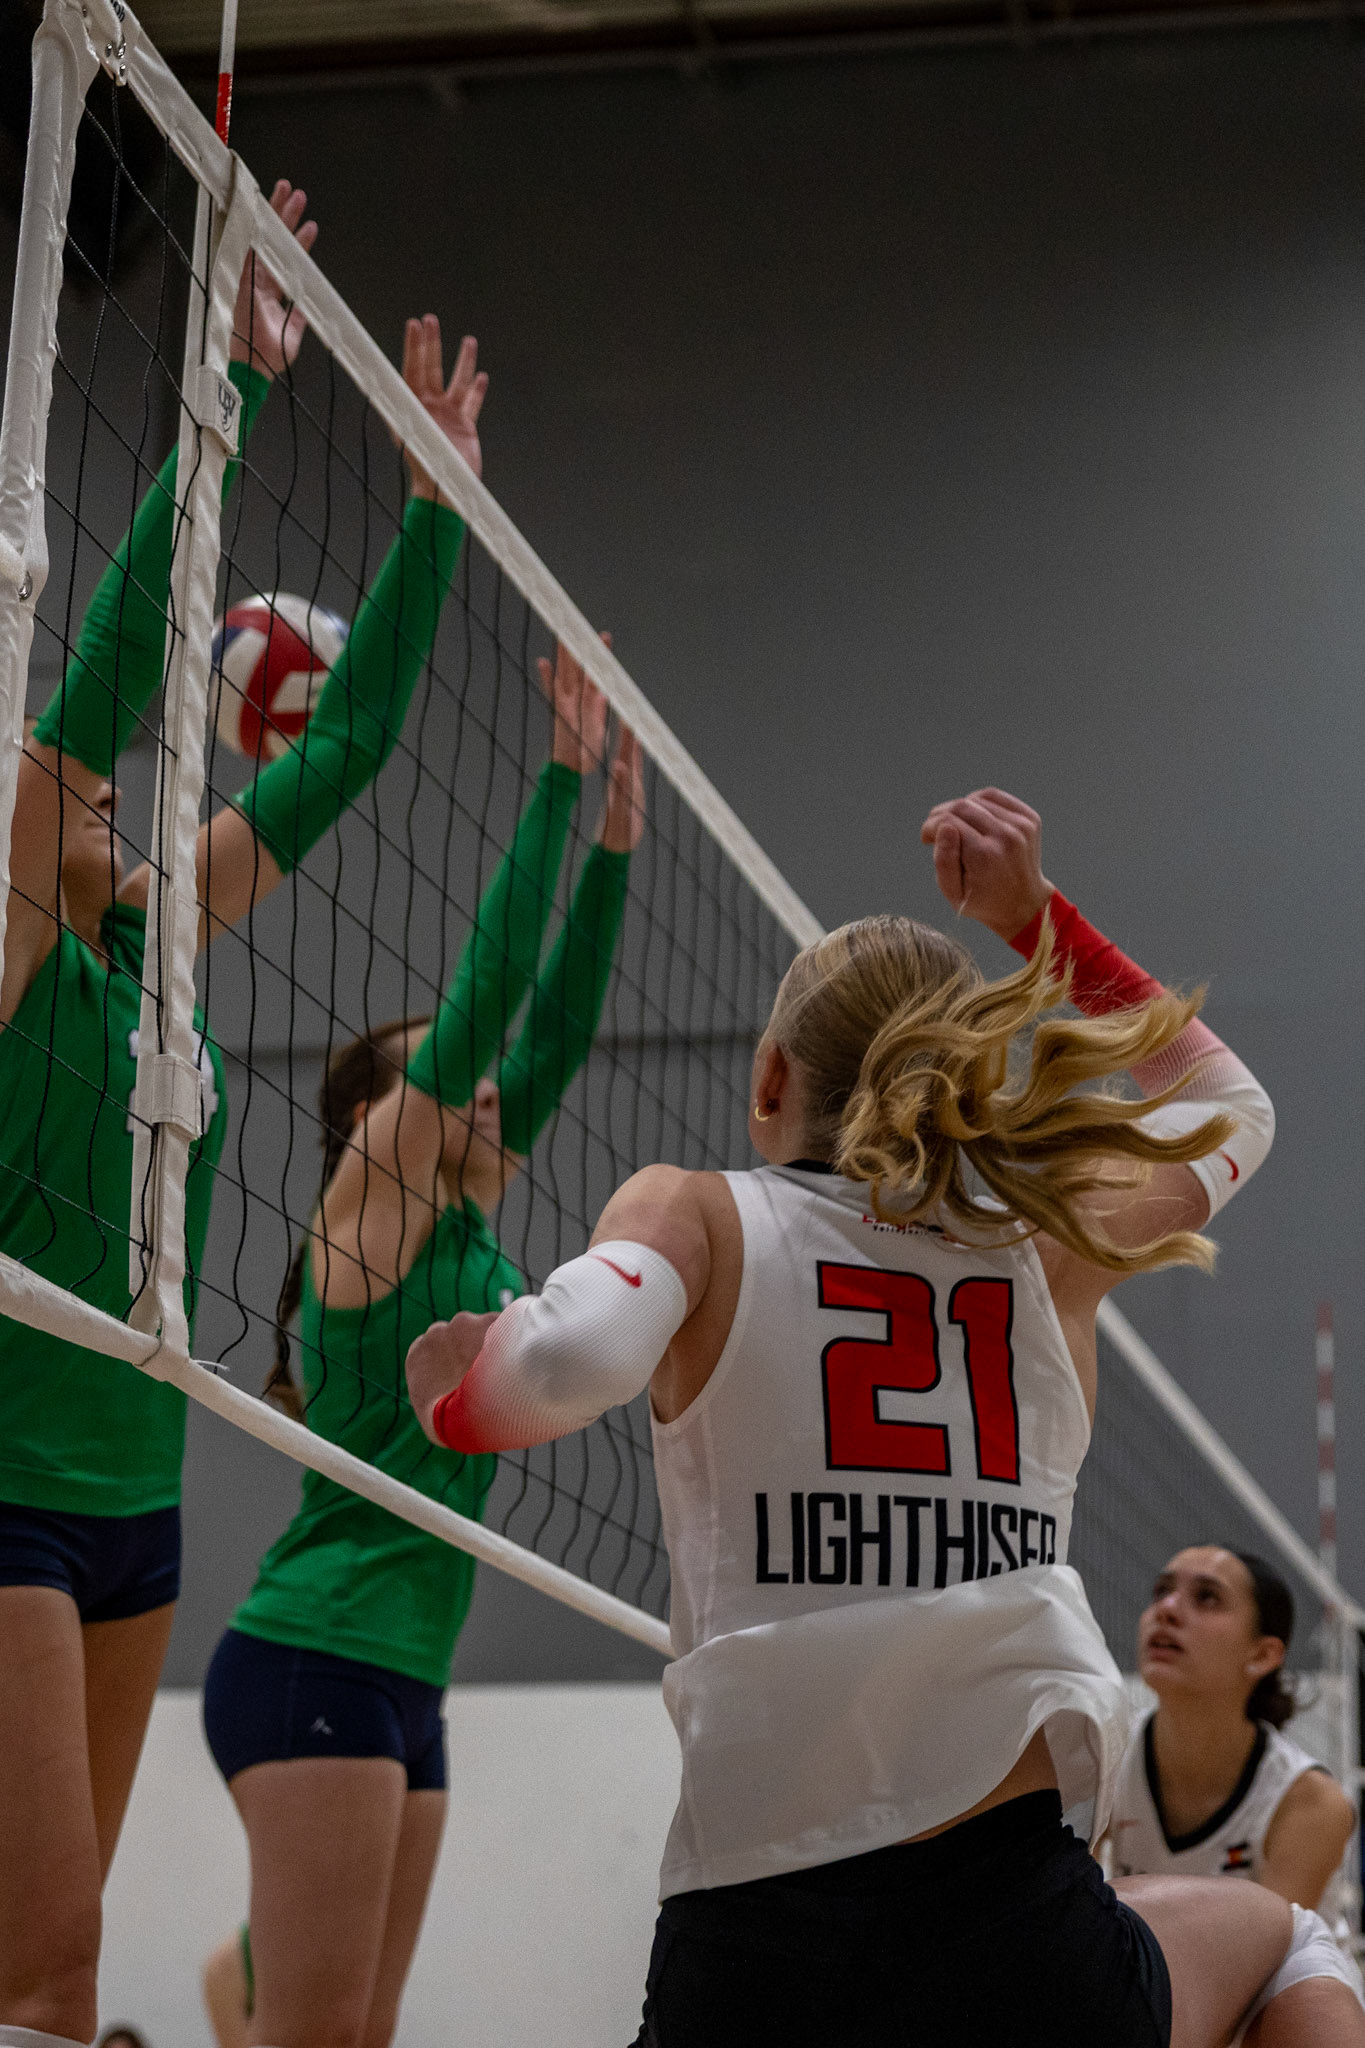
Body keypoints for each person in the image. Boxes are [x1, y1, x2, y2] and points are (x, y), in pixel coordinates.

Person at [408, 783, 1291, 2048]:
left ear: (771, 1077)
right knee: (1285, 1938)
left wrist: (457, 1392)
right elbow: (1233, 1108)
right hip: (1020, 1931)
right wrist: (1037, 921)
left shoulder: (699, 1210)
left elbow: (561, 1367)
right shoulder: (1044, 1242)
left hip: (758, 1937)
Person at [0, 174, 488, 2048]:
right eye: (70, 790)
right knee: (45, 1961)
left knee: (60, 1965)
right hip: (10, 1486)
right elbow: (93, 704)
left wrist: (434, 511)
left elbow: (350, 744)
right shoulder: (21, 942)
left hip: (139, 1495)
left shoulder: (164, 947)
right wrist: (227, 390)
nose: (110, 794)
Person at [199, 643, 644, 2048]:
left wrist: (615, 848)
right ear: (376, 1119)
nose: (490, 1089)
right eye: (453, 1077)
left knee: (358, 2033)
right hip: (316, 1650)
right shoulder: (370, 1213)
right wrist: (557, 776)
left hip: (408, 1669)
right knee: (318, 2036)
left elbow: (551, 1033)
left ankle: (231, 1983)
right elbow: (492, 997)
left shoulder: (460, 1213)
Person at [1108, 1545, 1365, 2046]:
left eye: (1207, 1597)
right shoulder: (1105, 1753)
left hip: (1273, 1999)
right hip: (1162, 1989)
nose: (1167, 1609)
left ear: (1263, 1655)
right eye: (1162, 1591)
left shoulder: (1310, 1800)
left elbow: (1255, 1966)